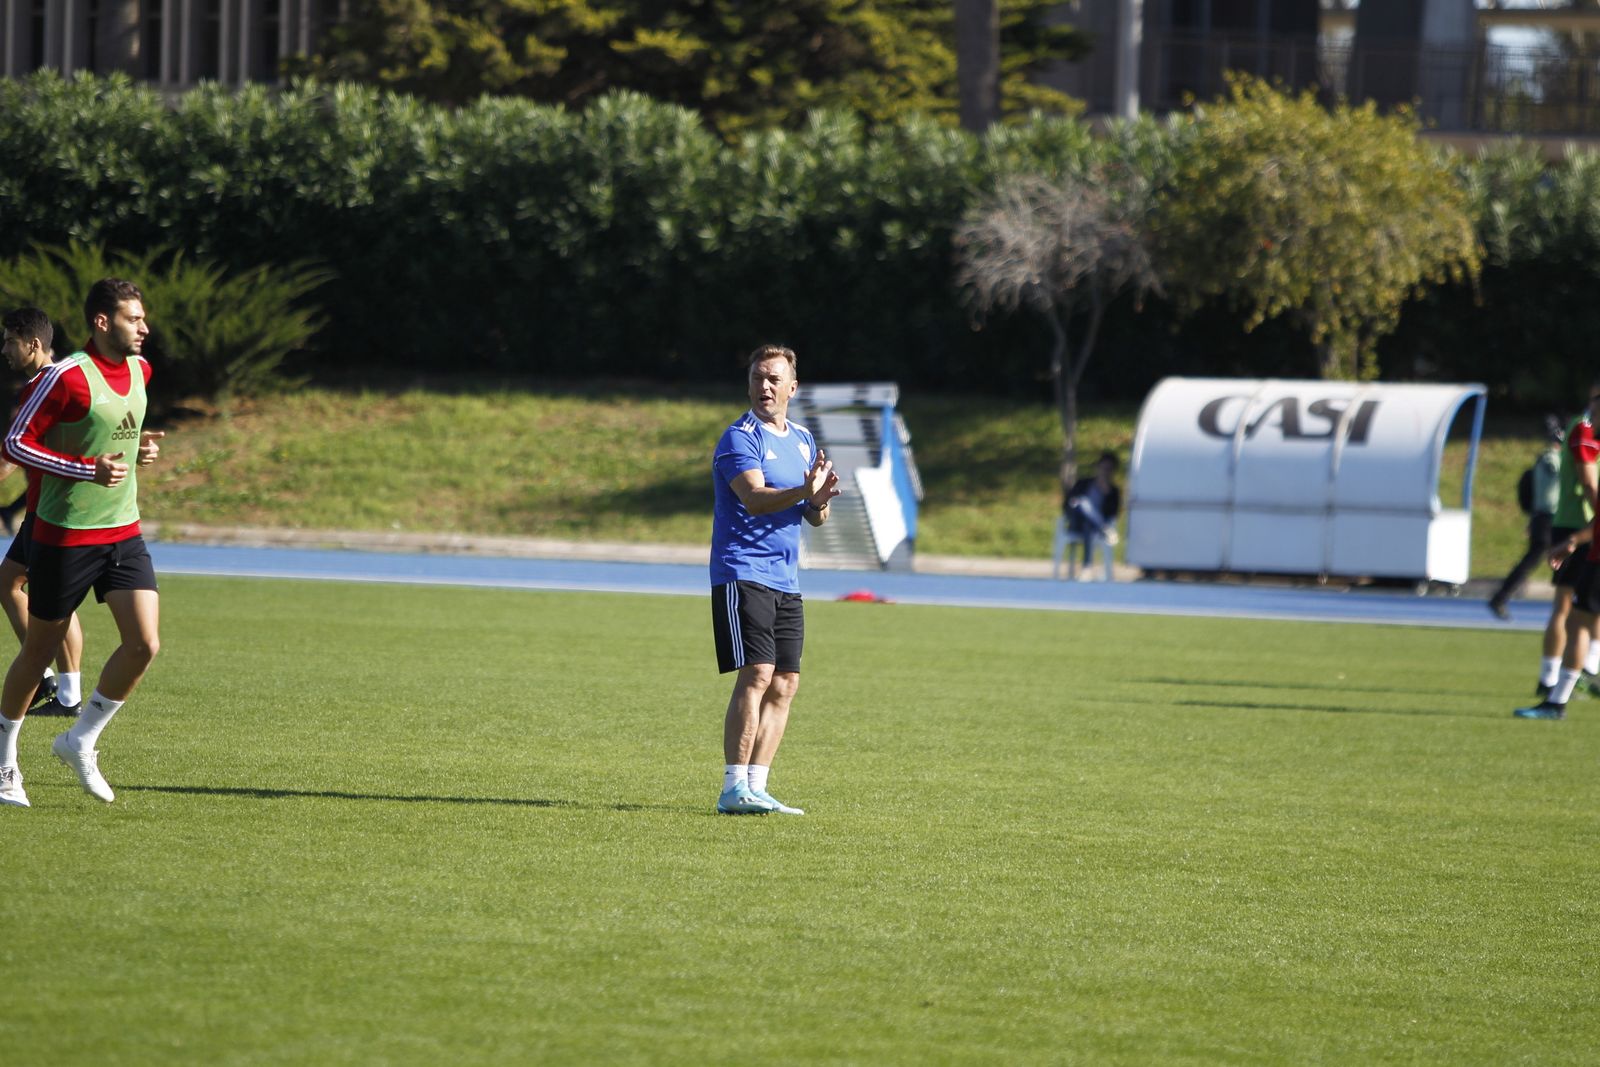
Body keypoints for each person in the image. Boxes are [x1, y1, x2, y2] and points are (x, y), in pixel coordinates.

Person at [0, 279, 163, 808]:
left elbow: (120, 433)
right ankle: (4, 763)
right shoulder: (66, 377)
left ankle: (79, 740)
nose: (144, 327)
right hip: (65, 537)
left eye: (143, 318)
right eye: (133, 318)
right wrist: (82, 470)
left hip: (124, 532)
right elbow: (16, 443)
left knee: (144, 644)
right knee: (39, 649)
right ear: (102, 322)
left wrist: (140, 454)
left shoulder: (141, 370)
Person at [709, 344, 840, 816]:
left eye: (773, 379)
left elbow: (815, 518)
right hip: (742, 571)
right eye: (758, 378)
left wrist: (820, 498)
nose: (765, 387)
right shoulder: (739, 438)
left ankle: (758, 787)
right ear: (748, 384)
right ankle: (732, 787)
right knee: (758, 673)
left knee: (785, 683)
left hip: (786, 579)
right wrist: (804, 490)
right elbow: (756, 499)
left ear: (792, 387)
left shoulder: (803, 440)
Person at [0, 307, 86, 717]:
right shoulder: (43, 383)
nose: (4, 350)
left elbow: (12, 454)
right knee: (12, 585)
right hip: (42, 508)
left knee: (50, 598)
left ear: (33, 344)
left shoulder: (49, 385)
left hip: (54, 511)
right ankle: (57, 686)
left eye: (9, 341)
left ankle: (62, 691)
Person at [1530, 387, 1600, 701]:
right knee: (1570, 608)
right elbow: (1587, 480)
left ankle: (1581, 674)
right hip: (1577, 524)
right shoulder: (1584, 428)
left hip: (1585, 528)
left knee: (1585, 611)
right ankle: (1552, 678)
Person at [1488, 415, 1565, 621]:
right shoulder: (1552, 459)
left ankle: (1501, 596)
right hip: (1550, 519)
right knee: (1558, 561)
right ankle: (1500, 597)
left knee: (1538, 560)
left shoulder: (1544, 458)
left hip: (1543, 517)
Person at [1063, 450, 1122, 576]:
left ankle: (1087, 567)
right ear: (1098, 467)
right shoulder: (1083, 483)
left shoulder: (1113, 491)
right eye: (1103, 467)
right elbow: (1068, 503)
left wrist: (1107, 494)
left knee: (1088, 526)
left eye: (1109, 469)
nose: (1105, 471)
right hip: (1077, 523)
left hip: (1093, 528)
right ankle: (1104, 528)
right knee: (1082, 503)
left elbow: (1113, 513)